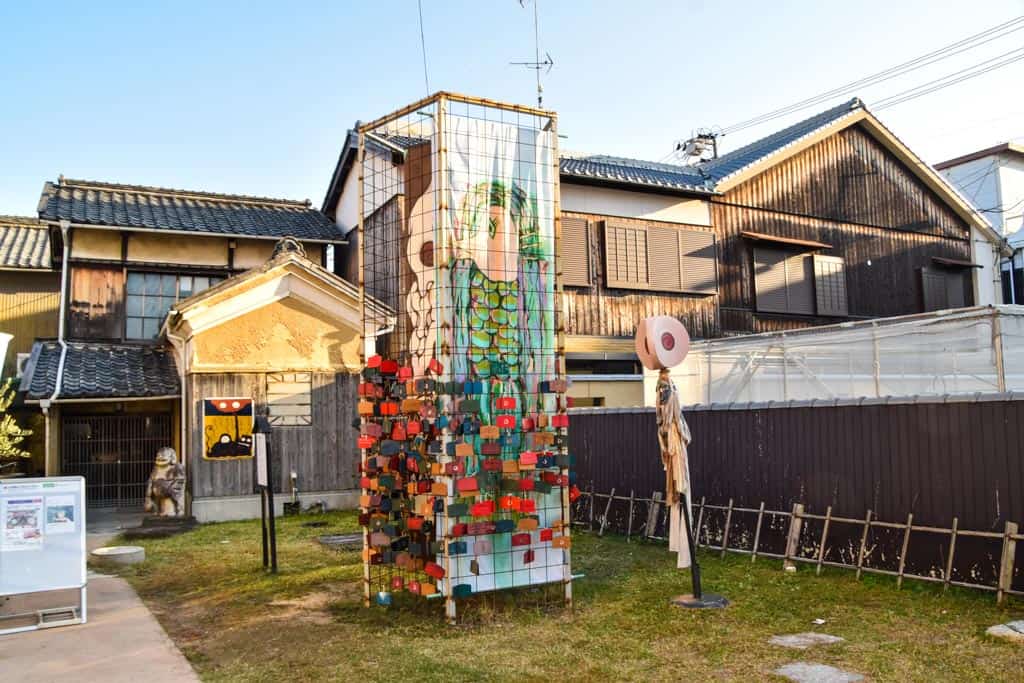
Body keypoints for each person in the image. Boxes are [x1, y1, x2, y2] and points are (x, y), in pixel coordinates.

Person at [655, 367, 693, 569]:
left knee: (680, 490)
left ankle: (686, 551)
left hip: (674, 446)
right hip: (673, 447)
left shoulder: (667, 392)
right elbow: (665, 418)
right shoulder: (664, 392)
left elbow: (669, 417)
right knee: (679, 489)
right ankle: (683, 548)